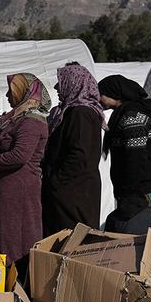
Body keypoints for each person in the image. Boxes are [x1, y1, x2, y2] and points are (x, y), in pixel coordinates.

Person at [0, 74, 50, 278]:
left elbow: (19, 156)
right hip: (7, 189)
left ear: (25, 93)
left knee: (16, 239)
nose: (7, 95)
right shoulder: (16, 117)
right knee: (4, 236)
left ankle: (17, 288)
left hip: (19, 191)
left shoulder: (31, 122)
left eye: (11, 91)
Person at [98, 75, 151, 234]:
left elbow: (135, 160)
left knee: (141, 239)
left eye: (101, 93)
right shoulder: (124, 114)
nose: (98, 97)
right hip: (144, 188)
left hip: (146, 190)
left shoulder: (132, 118)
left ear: (114, 94)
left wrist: (132, 197)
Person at [42, 62, 105, 236]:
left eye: (62, 81)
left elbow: (78, 155)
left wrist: (56, 181)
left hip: (72, 194)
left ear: (74, 83)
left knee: (68, 241)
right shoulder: (74, 111)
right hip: (73, 190)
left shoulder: (81, 113)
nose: (56, 86)